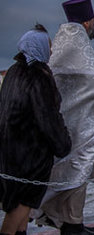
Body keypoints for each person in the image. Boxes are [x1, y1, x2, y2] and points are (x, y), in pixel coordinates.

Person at [38, 0, 94, 235]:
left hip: (65, 123)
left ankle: (71, 221)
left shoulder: (64, 39)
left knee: (68, 174)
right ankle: (73, 224)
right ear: (87, 22)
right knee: (77, 173)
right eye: (93, 20)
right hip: (79, 127)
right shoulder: (77, 40)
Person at [1, 25, 72, 235]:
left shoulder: (14, 71)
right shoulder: (39, 74)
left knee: (20, 206)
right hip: (31, 154)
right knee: (20, 206)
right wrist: (63, 144)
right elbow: (47, 116)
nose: (51, 51)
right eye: (48, 46)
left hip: (9, 151)